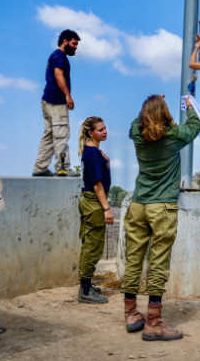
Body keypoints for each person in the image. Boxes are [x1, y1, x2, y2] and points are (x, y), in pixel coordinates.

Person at [122, 95, 200, 341]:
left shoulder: (137, 134)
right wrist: (189, 106)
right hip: (162, 207)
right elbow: (195, 126)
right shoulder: (173, 137)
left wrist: (150, 106)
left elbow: (135, 124)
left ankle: (131, 313)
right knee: (158, 263)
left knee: (134, 259)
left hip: (138, 205)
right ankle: (154, 322)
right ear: (165, 113)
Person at [32, 29, 80, 177]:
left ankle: (40, 168)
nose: (75, 47)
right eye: (73, 43)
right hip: (56, 102)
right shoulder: (59, 56)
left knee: (49, 135)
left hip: (47, 101)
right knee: (61, 135)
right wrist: (68, 96)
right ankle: (62, 168)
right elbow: (59, 75)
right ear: (65, 41)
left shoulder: (54, 55)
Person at [77, 116, 114, 304]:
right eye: (101, 130)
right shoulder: (92, 153)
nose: (105, 131)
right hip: (94, 202)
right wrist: (106, 208)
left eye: (105, 128)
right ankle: (84, 290)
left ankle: (86, 284)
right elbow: (97, 185)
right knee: (93, 246)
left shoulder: (93, 151)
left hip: (89, 201)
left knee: (89, 244)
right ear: (91, 133)